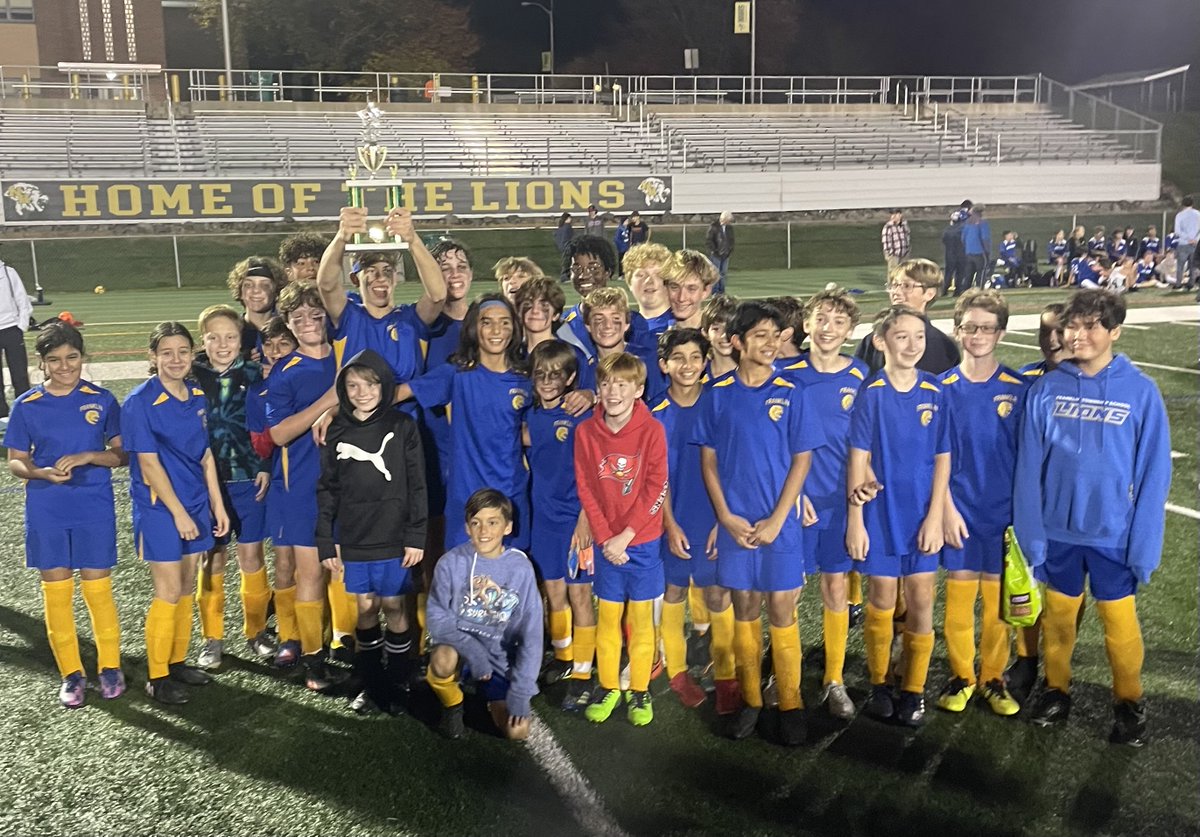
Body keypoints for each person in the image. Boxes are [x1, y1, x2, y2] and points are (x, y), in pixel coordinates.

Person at [1014, 290, 1171, 746]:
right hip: (1058, 532)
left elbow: (1154, 471)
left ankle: (1129, 703)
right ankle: (1056, 690)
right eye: (1072, 327)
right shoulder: (1047, 388)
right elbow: (1028, 466)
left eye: (1090, 327)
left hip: (1113, 535)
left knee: (1118, 624)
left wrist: (1143, 542)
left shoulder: (1140, 391)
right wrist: (1032, 532)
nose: (1077, 335)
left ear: (1114, 332)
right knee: (1060, 620)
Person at [696, 301, 822, 745]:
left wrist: (777, 518)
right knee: (745, 608)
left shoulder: (791, 392)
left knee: (782, 610)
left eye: (776, 335)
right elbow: (708, 463)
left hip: (779, 525)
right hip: (736, 526)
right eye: (761, 336)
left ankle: (790, 701)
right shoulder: (718, 393)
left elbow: (802, 461)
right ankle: (751, 699)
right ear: (737, 342)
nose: (771, 343)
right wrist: (726, 517)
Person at [6, 322, 128, 707]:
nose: (64, 366)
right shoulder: (26, 405)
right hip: (46, 506)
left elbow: (122, 455)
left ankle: (109, 666)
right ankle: (71, 674)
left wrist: (90, 456)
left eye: (71, 357)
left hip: (93, 505)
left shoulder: (103, 399)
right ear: (42, 364)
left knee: (98, 590)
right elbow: (15, 461)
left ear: (82, 358)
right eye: (54, 360)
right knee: (57, 595)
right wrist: (39, 473)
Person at [846, 305, 951, 728]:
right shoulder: (870, 394)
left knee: (922, 599)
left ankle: (913, 689)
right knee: (881, 601)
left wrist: (936, 516)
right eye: (902, 336)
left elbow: (943, 458)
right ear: (881, 341)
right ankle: (879, 683)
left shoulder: (936, 392)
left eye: (919, 337)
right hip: (880, 517)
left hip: (922, 517)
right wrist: (856, 520)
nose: (912, 345)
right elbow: (858, 459)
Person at [122, 322, 231, 704]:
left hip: (196, 504)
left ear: (192, 353)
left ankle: (177, 659)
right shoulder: (139, 402)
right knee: (168, 590)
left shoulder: (197, 396)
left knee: (186, 586)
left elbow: (204, 456)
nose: (175, 359)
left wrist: (217, 504)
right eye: (166, 352)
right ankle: (157, 675)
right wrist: (180, 514)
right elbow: (149, 465)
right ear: (152, 357)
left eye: (182, 351)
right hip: (161, 510)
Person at [317, 350, 427, 716]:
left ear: (384, 385)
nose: (362, 392)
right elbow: (328, 488)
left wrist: (416, 534)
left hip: (394, 535)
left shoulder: (403, 426)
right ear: (343, 389)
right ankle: (372, 682)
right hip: (355, 537)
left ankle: (398, 677)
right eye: (352, 385)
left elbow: (417, 485)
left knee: (395, 606)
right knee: (365, 608)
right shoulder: (336, 430)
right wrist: (324, 537)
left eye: (370, 384)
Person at [936, 290, 1027, 718]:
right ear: (957, 331)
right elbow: (933, 458)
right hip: (958, 512)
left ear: (1001, 333)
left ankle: (993, 677)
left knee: (996, 606)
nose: (977, 335)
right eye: (969, 327)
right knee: (957, 602)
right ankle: (961, 675)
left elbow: (1028, 457)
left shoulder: (1018, 389)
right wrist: (946, 509)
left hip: (1003, 515)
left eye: (986, 328)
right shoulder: (941, 390)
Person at [780, 287, 868, 720]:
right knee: (788, 593)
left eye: (839, 321)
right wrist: (792, 495)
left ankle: (834, 678)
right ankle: (788, 676)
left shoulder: (861, 375)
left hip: (839, 503)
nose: (829, 328)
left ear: (850, 331)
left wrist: (859, 504)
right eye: (822, 319)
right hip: (793, 505)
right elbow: (774, 443)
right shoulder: (786, 374)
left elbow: (865, 443)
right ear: (807, 325)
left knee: (836, 588)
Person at [574, 351, 667, 727]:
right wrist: (605, 536)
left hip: (640, 542)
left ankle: (640, 688)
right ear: (598, 389)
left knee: (641, 619)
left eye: (623, 384)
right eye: (607, 384)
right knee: (609, 617)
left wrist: (626, 536)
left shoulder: (653, 430)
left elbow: (656, 485)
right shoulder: (585, 432)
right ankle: (609, 684)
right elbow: (585, 487)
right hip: (605, 541)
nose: (613, 391)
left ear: (638, 390)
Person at [401, 295, 533, 552]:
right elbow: (398, 394)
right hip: (467, 495)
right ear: (474, 327)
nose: (497, 331)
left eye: (505, 323)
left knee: (511, 582)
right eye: (487, 322)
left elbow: (535, 431)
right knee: (465, 582)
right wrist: (337, 409)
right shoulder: (457, 374)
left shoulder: (525, 379)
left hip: (511, 495)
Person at [265, 283, 341, 688]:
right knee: (310, 572)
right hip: (304, 487)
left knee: (345, 573)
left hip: (351, 483)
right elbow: (278, 433)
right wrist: (329, 400)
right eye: (299, 318)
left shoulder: (347, 355)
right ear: (289, 325)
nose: (309, 323)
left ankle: (343, 642)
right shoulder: (285, 371)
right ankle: (314, 656)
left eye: (316, 315)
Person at [191, 305, 274, 670]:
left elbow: (273, 422)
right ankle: (212, 638)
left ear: (242, 341)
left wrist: (266, 464)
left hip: (247, 478)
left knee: (252, 556)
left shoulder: (257, 375)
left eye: (230, 337)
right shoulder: (190, 378)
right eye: (214, 337)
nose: (222, 344)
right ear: (203, 340)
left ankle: (256, 631)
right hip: (206, 484)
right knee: (212, 557)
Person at [426, 489, 543, 740]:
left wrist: (521, 693)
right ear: (467, 528)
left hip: (498, 658)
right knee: (442, 659)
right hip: (460, 649)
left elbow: (531, 634)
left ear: (508, 527)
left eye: (493, 522)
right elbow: (436, 619)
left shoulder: (521, 567)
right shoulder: (450, 562)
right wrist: (473, 651)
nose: (484, 531)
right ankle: (453, 705)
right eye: (476, 523)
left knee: (517, 731)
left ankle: (489, 696)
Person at [652, 328, 723, 710]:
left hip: (713, 518)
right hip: (673, 519)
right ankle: (677, 672)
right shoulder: (653, 412)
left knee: (716, 593)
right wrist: (668, 522)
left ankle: (724, 671)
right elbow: (654, 477)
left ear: (706, 362)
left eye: (696, 357)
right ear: (664, 365)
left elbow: (729, 466)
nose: (688, 365)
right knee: (674, 592)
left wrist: (722, 520)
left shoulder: (719, 403)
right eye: (678, 358)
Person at [522, 341, 595, 708]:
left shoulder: (581, 418)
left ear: (570, 378)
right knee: (553, 593)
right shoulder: (532, 416)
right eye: (540, 374)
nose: (548, 381)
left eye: (556, 375)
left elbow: (594, 474)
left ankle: (583, 672)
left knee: (580, 594)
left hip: (575, 521)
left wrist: (586, 520)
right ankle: (564, 658)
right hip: (543, 520)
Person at [854, 258, 960, 375]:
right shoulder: (872, 341)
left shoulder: (944, 346)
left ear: (929, 294)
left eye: (906, 286)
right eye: (894, 285)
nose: (896, 292)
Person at [556, 235, 617, 362]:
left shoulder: (629, 321)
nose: (584, 275)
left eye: (593, 268)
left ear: (608, 271)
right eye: (577, 269)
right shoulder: (564, 325)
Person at [226, 256, 288, 360]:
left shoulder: (288, 330)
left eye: (265, 286)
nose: (256, 290)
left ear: (276, 292)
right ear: (240, 292)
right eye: (248, 285)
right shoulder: (230, 332)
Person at [623, 242, 673, 353]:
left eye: (658, 274)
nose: (649, 281)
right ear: (629, 283)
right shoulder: (621, 326)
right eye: (641, 275)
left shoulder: (681, 324)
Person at [0, 246, 32, 417]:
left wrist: (21, 326)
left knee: (19, 375)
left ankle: (24, 411)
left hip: (12, 330)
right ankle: (1, 416)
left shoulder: (8, 272)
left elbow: (23, 300)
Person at [701, 294, 739, 381]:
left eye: (731, 328)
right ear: (705, 333)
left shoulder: (753, 373)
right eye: (716, 329)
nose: (724, 335)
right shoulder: (696, 374)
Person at [960, 206, 991, 294]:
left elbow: (963, 238)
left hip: (969, 252)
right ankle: (979, 292)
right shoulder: (983, 223)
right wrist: (987, 251)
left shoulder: (967, 223)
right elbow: (985, 238)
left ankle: (965, 293)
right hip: (980, 252)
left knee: (968, 274)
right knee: (981, 273)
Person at [1172, 195, 1200, 290]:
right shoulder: (1198, 214)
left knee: (1180, 265)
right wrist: (1195, 239)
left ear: (1183, 204)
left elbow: (1177, 231)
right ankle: (1191, 284)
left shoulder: (1180, 215)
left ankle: (1178, 284)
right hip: (1195, 244)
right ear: (1192, 203)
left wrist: (1188, 239)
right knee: (1193, 265)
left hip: (1183, 243)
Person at [706, 212, 735, 294]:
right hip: (716, 255)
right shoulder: (714, 226)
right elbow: (709, 240)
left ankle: (721, 291)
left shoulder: (729, 228)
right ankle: (715, 291)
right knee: (715, 273)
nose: (729, 222)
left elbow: (731, 240)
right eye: (729, 220)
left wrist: (730, 250)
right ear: (724, 219)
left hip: (726, 254)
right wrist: (714, 251)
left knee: (723, 273)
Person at [942, 211, 969, 295]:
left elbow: (944, 241)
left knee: (948, 273)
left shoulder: (947, 230)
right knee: (960, 273)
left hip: (950, 254)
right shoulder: (964, 229)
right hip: (962, 254)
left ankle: (944, 290)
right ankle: (957, 291)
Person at [881, 209, 911, 282]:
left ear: (900, 215)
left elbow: (907, 237)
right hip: (893, 254)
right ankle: (891, 286)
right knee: (893, 272)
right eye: (892, 214)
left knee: (904, 271)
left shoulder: (904, 225)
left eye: (896, 214)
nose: (893, 216)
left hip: (904, 253)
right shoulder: (888, 227)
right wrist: (890, 253)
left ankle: (902, 285)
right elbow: (885, 241)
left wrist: (907, 250)